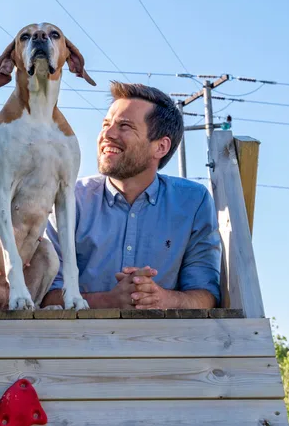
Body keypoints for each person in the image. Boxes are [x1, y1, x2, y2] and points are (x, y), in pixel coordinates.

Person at [41, 81, 222, 310]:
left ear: (161, 147)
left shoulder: (194, 202)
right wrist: (108, 301)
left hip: (165, 343)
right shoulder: (69, 199)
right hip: (79, 342)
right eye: (106, 124)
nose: (107, 134)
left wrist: (161, 299)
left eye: (124, 126)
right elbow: (45, 295)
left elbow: (206, 295)